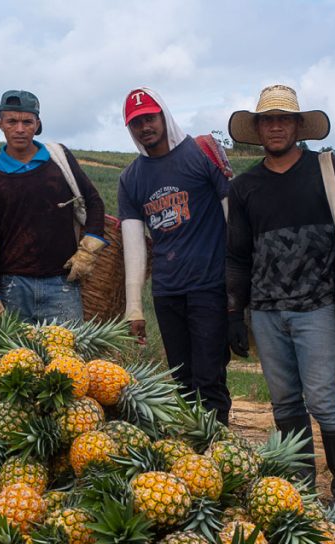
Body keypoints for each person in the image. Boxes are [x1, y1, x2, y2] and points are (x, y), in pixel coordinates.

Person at [225, 84, 335, 505]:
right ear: (257, 130)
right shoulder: (244, 187)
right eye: (267, 121)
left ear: (298, 126)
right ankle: (300, 495)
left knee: (322, 399)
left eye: (283, 119)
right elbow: (238, 256)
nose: (275, 127)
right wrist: (234, 313)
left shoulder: (328, 169)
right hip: (267, 312)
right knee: (285, 404)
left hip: (318, 307)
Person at [118, 87, 235, 424]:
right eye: (136, 123)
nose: (144, 128)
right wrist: (134, 307)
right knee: (182, 381)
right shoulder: (131, 178)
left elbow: (233, 216)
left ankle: (217, 450)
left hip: (208, 285)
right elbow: (134, 242)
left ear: (164, 116)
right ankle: (192, 452)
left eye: (150, 118)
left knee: (209, 378)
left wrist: (239, 287)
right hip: (167, 292)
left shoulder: (201, 154)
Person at [0, 90, 107, 323]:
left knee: (67, 357)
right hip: (12, 285)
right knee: (14, 359)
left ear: (37, 124)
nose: (20, 129)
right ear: (0, 124)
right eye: (12, 121)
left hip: (62, 284)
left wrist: (88, 250)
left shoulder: (58, 160)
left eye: (27, 121)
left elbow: (94, 202)